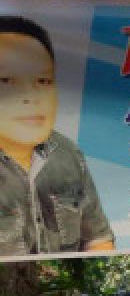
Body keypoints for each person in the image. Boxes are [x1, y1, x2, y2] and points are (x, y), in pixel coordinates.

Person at [0, 16, 114, 257]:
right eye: (7, 81)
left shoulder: (66, 154)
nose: (31, 96)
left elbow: (98, 240)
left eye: (43, 81)